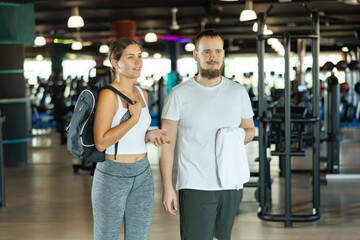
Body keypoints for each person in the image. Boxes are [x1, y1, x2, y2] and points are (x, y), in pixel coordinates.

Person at [160, 30, 255, 240]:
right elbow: (167, 145)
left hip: (231, 182)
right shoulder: (179, 94)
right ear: (196, 55)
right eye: (207, 52)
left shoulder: (238, 91)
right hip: (195, 184)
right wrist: (168, 187)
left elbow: (250, 130)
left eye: (218, 51)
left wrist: (233, 136)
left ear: (223, 54)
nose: (213, 56)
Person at [91, 38, 169, 240]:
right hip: (112, 175)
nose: (138, 62)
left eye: (140, 57)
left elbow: (130, 137)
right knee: (106, 236)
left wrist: (148, 135)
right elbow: (101, 142)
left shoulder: (142, 93)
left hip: (142, 173)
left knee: (139, 237)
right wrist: (134, 118)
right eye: (131, 57)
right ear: (116, 63)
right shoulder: (109, 95)